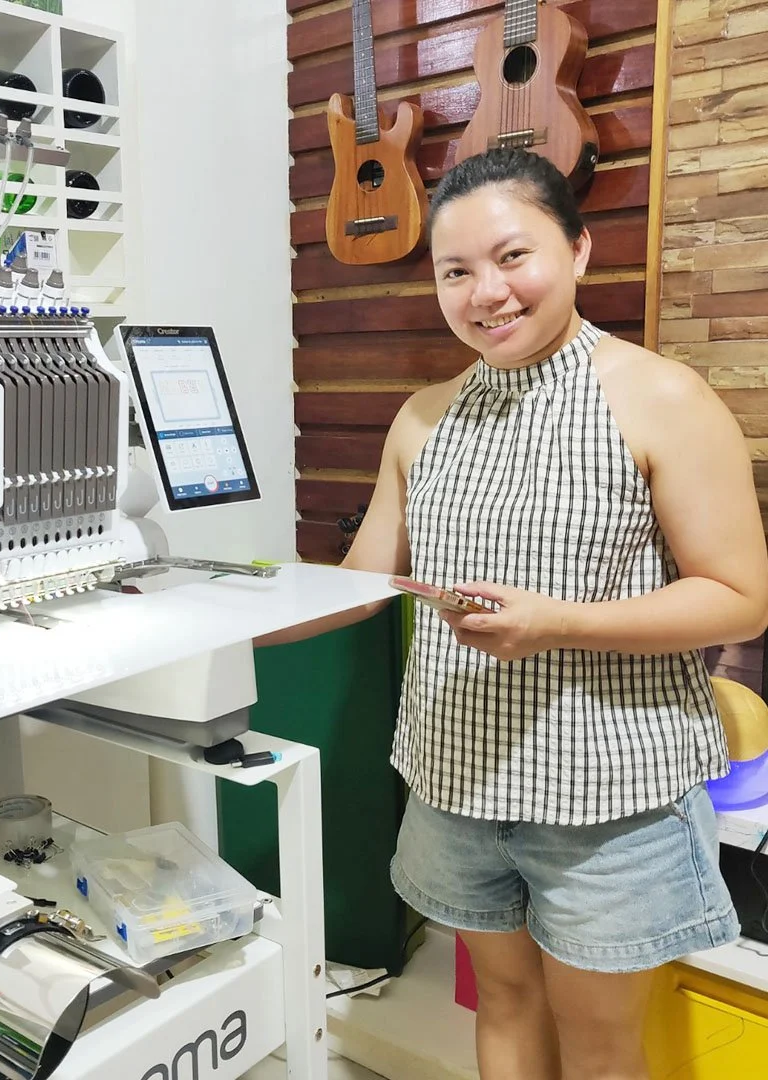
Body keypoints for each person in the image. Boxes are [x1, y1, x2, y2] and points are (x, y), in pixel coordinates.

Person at [260, 148, 768, 1080]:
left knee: (604, 1042)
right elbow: (362, 580)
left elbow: (737, 597)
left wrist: (560, 622)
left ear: (577, 251)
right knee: (502, 1003)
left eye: (511, 257)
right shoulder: (422, 417)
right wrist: (219, 614)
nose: (484, 293)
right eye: (456, 272)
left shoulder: (661, 398)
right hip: (456, 781)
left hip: (607, 798)